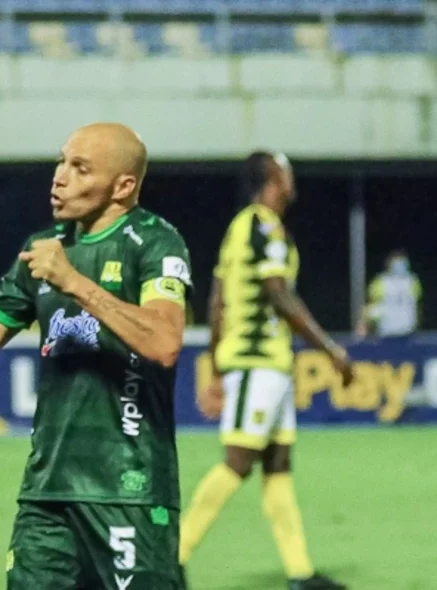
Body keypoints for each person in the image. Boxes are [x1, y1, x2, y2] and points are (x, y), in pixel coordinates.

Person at [0, 123, 192, 589]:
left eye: (80, 168)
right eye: (61, 162)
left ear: (123, 187)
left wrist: (75, 283)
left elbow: (165, 342)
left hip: (128, 489)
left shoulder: (156, 241)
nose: (59, 177)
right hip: (46, 493)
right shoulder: (43, 249)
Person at [181, 151, 352, 590]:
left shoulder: (241, 229)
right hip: (257, 363)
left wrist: (217, 366)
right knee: (237, 462)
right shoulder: (264, 227)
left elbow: (217, 299)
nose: (293, 179)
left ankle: (299, 573)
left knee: (278, 465)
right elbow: (278, 295)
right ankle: (170, 557)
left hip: (265, 365)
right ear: (274, 178)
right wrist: (331, 349)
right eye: (287, 171)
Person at [357, 249, 422, 338]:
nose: (399, 265)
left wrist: (417, 326)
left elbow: (417, 306)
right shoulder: (380, 281)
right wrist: (364, 325)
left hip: (408, 331)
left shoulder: (413, 281)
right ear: (389, 264)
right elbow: (371, 306)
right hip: (386, 332)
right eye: (396, 262)